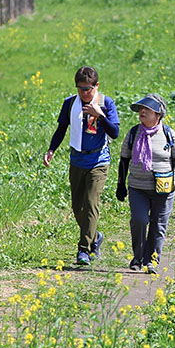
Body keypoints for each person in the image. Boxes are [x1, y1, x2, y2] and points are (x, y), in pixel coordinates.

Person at [44, 66, 120, 265]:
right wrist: (51, 150)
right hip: (77, 160)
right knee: (77, 208)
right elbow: (61, 129)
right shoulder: (70, 104)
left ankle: (84, 250)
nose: (84, 93)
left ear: (96, 86)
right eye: (80, 88)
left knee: (90, 204)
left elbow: (115, 133)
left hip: (98, 161)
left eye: (88, 88)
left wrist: (100, 115)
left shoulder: (106, 103)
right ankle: (95, 237)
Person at [115, 93, 175, 274]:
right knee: (139, 221)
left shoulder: (168, 133)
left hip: (164, 188)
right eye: (141, 109)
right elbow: (124, 160)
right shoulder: (133, 133)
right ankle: (138, 257)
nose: (142, 112)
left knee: (158, 224)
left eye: (147, 109)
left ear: (158, 114)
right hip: (138, 187)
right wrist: (121, 184)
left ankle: (152, 260)